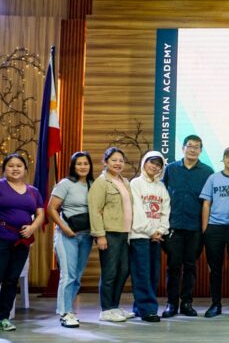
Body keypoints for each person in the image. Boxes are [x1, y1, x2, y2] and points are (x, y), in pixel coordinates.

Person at [0, 152, 44, 333]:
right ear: (4, 169)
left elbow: (40, 214)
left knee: (11, 281)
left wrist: (32, 228)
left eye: (19, 166)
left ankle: (3, 318)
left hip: (21, 242)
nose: (15, 169)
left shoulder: (33, 191)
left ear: (25, 169)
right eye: (11, 166)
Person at [162, 135, 214, 318]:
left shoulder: (207, 172)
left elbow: (210, 202)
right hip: (174, 226)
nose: (193, 149)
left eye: (196, 147)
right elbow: (162, 195)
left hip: (195, 228)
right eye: (190, 146)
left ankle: (186, 303)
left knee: (190, 266)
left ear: (201, 150)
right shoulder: (171, 169)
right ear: (183, 148)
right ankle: (171, 303)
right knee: (173, 266)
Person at [48, 151, 94, 328]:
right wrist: (64, 228)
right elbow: (51, 208)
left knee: (77, 277)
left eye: (86, 163)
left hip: (86, 235)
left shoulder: (93, 184)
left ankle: (68, 310)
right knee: (68, 275)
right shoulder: (65, 184)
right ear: (73, 166)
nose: (83, 166)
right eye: (79, 163)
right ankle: (65, 312)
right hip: (67, 234)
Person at [88, 147, 135, 323]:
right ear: (105, 162)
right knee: (110, 272)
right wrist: (100, 235)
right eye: (114, 160)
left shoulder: (125, 182)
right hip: (110, 234)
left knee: (123, 270)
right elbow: (95, 210)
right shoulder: (101, 183)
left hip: (125, 233)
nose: (118, 163)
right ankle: (106, 309)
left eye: (121, 160)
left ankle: (114, 306)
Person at [201, 146, 229, 318]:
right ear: (223, 159)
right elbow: (206, 203)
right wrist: (205, 229)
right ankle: (215, 304)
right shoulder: (213, 178)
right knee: (215, 269)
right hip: (215, 228)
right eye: (228, 156)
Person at [129, 150, 171, 323]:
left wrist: (161, 230)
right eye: (152, 162)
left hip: (156, 237)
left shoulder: (161, 187)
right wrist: (150, 231)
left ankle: (140, 308)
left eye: (158, 165)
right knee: (142, 273)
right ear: (144, 163)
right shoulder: (135, 183)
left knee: (153, 274)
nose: (155, 167)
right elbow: (136, 210)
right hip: (140, 236)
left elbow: (166, 209)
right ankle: (148, 310)